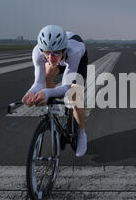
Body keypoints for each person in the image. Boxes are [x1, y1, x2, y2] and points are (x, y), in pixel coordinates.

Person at [22, 25, 88, 158]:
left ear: (63, 49)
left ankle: (81, 133)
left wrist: (47, 93)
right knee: (47, 74)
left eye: (55, 53)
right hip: (63, 59)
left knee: (74, 96)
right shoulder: (37, 52)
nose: (51, 58)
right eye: (47, 53)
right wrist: (30, 92)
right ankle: (55, 112)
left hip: (76, 62)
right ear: (42, 50)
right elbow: (39, 82)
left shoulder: (74, 51)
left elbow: (66, 86)